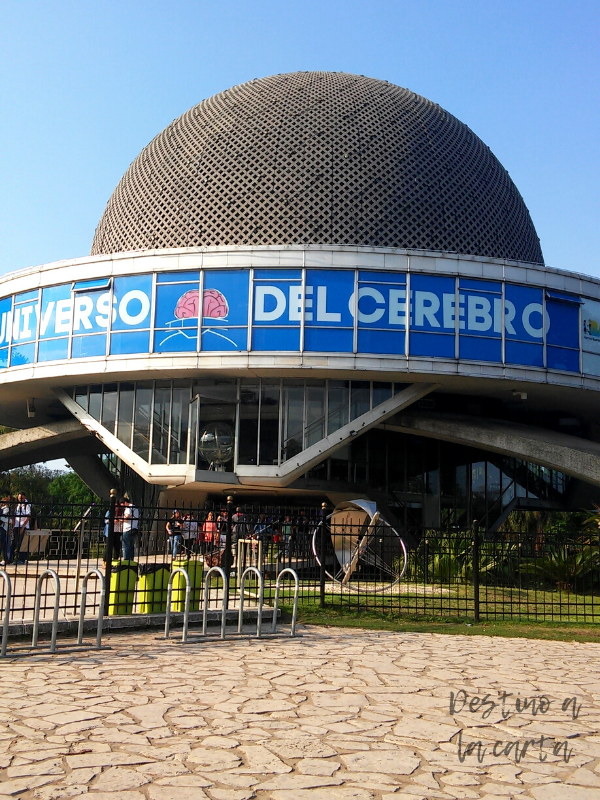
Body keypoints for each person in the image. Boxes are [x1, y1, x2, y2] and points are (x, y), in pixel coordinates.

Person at [10, 493, 31, 565]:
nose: (20, 499)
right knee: (15, 542)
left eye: (22, 498)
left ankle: (22, 559)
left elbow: (28, 517)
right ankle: (14, 558)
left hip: (23, 526)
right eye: (19, 498)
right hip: (16, 525)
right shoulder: (17, 505)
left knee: (22, 543)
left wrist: (23, 527)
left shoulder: (27, 505)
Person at [121, 496, 139, 562]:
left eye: (122, 505)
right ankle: (131, 561)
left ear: (125, 502)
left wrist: (120, 519)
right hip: (134, 528)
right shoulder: (135, 508)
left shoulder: (128, 508)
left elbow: (126, 518)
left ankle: (126, 561)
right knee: (131, 546)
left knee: (125, 547)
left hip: (127, 529)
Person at [0, 496, 12, 566]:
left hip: (3, 528)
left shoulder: (6, 509)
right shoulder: (4, 509)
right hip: (3, 528)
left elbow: (9, 520)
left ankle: (5, 559)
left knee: (3, 544)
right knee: (3, 545)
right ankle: (5, 559)